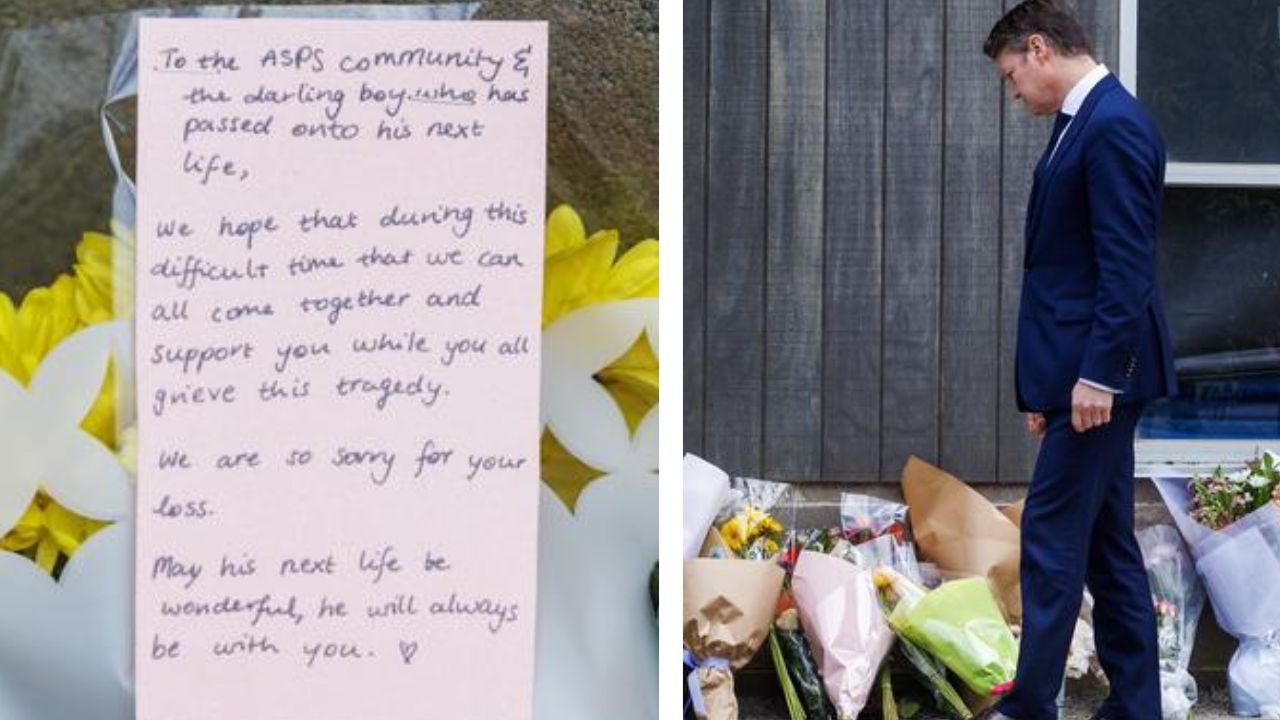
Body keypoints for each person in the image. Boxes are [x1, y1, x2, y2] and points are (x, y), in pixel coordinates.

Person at [981, 1, 1178, 719]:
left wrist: (1097, 375)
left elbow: (1123, 267)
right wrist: (1047, 385)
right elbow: (1062, 270)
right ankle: (1135, 706)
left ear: (1039, 50)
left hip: (1103, 378)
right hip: (1077, 375)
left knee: (1052, 535)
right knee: (1103, 544)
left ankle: (1029, 704)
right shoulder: (1080, 125)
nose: (1014, 94)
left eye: (1011, 77)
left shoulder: (1114, 125)